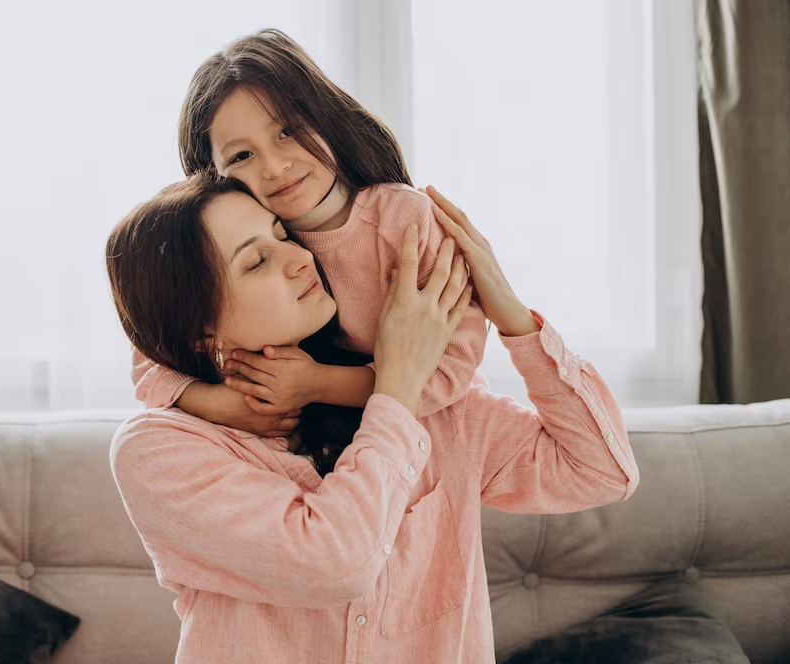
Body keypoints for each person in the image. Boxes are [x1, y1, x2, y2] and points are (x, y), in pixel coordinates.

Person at [106, 174, 639, 663]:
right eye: (255, 261)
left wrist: (515, 319)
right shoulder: (160, 449)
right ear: (203, 333)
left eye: (281, 235)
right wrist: (396, 388)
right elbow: (335, 561)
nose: (297, 259)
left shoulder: (440, 411)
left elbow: (602, 471)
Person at [132, 28, 489, 437]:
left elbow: (451, 369)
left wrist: (316, 383)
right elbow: (153, 341)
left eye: (287, 131)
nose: (275, 166)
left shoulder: (404, 219)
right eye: (242, 155)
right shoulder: (243, 244)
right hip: (325, 455)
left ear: (325, 118)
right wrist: (216, 403)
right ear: (214, 177)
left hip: (429, 438)